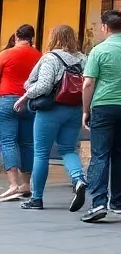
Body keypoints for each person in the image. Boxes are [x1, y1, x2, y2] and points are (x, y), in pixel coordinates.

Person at [13, 25, 87, 211]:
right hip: (74, 109)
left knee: (41, 153)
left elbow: (44, 86)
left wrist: (25, 95)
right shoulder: (83, 58)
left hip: (51, 110)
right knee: (68, 149)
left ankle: (36, 199)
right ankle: (79, 179)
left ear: (53, 38)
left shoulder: (50, 58)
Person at [80, 10, 121, 223]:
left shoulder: (99, 51)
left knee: (100, 155)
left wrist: (85, 110)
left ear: (105, 27)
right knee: (120, 154)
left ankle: (98, 203)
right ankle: (119, 202)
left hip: (105, 106)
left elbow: (88, 83)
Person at [0, 25, 40, 201]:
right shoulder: (39, 55)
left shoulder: (5, 54)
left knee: (8, 141)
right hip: (29, 101)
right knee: (27, 143)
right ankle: (26, 185)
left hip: (7, 100)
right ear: (31, 37)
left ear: (16, 35)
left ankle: (13, 185)